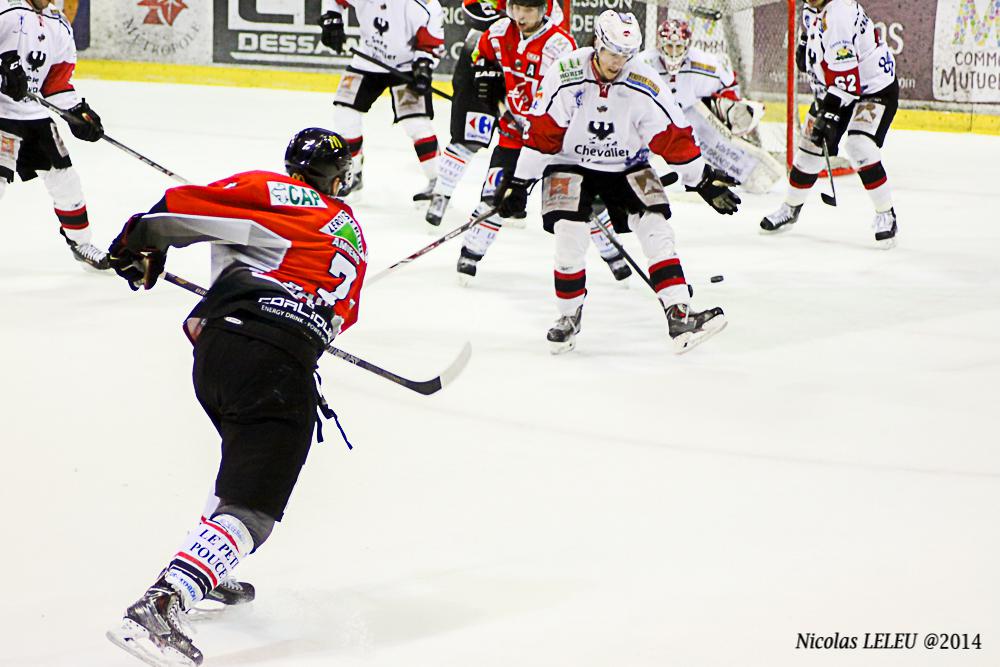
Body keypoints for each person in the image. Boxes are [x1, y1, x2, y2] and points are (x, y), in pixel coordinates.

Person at [104, 129, 367, 667]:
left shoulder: (273, 192)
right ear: (337, 179)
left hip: (220, 353)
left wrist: (135, 246)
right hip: (276, 364)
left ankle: (203, 570)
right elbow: (339, 317)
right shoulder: (352, 236)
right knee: (254, 509)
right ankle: (161, 606)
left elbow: (175, 210)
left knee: (241, 468)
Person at [497, 10, 740, 354]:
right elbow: (543, 133)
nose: (618, 62)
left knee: (656, 227)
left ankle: (679, 313)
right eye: (612, 53)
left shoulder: (643, 79)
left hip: (627, 163)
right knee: (569, 235)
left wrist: (701, 179)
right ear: (597, 43)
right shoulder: (566, 71)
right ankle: (568, 316)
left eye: (626, 55)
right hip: (570, 162)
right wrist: (520, 183)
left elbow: (671, 135)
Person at [449, 0, 631, 284]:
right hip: (513, 139)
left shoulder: (560, 46)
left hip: (555, 144)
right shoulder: (498, 32)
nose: (521, 16)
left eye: (529, 10)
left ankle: (614, 256)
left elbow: (578, 94)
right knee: (494, 198)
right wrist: (486, 72)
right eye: (517, 8)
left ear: (544, 10)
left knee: (585, 206)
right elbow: (480, 54)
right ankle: (470, 255)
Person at [760, 0, 898, 248]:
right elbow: (812, 29)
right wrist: (805, 43)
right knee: (810, 147)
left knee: (859, 145)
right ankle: (790, 208)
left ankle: (886, 213)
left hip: (873, 89)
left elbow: (848, 82)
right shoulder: (813, 5)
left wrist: (830, 114)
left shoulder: (839, 15)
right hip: (836, 88)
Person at [425, 0, 562, 226]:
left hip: (527, 68)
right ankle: (441, 194)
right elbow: (471, 8)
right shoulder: (499, 30)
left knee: (523, 143)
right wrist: (504, 27)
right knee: (469, 136)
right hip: (486, 57)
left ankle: (512, 199)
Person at [0, 0, 107, 267]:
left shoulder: (59, 23)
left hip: (35, 117)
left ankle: (81, 243)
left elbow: (56, 82)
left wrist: (77, 112)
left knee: (66, 182)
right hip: (1, 114)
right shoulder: (4, 9)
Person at [319, 0, 445, 201]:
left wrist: (424, 66)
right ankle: (352, 174)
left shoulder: (424, 5)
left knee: (416, 124)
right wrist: (331, 20)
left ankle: (438, 182)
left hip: (407, 65)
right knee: (345, 114)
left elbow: (431, 43)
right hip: (366, 60)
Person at [643, 18, 783, 194]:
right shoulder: (643, 64)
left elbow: (729, 85)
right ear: (660, 45)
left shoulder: (704, 63)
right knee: (627, 156)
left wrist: (728, 108)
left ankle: (752, 175)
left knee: (720, 147)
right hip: (653, 118)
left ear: (687, 46)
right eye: (669, 46)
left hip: (690, 117)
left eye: (678, 47)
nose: (673, 52)